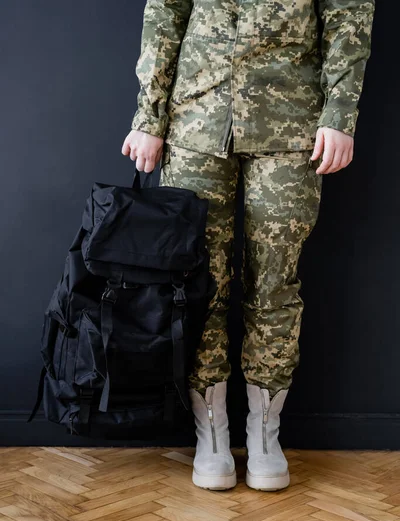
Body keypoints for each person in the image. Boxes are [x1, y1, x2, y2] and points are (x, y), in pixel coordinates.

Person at [121, 0, 375, 492]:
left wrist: (341, 114)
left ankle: (264, 433)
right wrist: (149, 117)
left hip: (291, 123)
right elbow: (165, 15)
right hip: (195, 120)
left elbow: (349, 17)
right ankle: (211, 431)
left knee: (275, 285)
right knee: (198, 285)